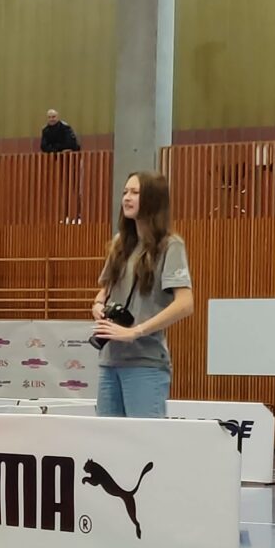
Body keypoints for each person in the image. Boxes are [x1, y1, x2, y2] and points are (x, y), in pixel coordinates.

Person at [92, 172, 192, 419]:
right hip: (110, 361)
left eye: (135, 193)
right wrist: (98, 304)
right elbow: (105, 290)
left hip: (145, 362)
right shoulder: (120, 243)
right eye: (125, 192)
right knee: (108, 438)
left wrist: (136, 331)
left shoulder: (170, 245)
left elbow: (185, 304)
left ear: (152, 199)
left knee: (143, 439)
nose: (127, 198)